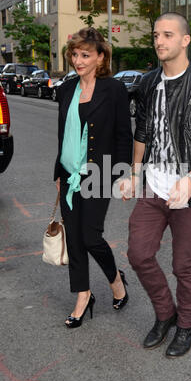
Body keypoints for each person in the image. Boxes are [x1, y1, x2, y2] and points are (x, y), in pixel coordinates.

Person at [126, 12, 191, 357]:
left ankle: (186, 326)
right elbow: (142, 131)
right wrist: (134, 172)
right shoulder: (147, 84)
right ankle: (165, 313)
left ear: (185, 40)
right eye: (156, 35)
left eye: (167, 35)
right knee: (139, 254)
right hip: (154, 187)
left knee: (183, 264)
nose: (159, 41)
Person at [54, 27, 133, 328]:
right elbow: (63, 136)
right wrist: (59, 173)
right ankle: (83, 295)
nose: (78, 60)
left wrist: (124, 174)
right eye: (74, 54)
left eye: (85, 55)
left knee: (90, 237)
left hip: (98, 172)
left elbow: (124, 135)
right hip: (69, 173)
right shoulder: (66, 89)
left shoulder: (113, 90)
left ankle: (115, 281)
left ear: (101, 58)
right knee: (74, 240)